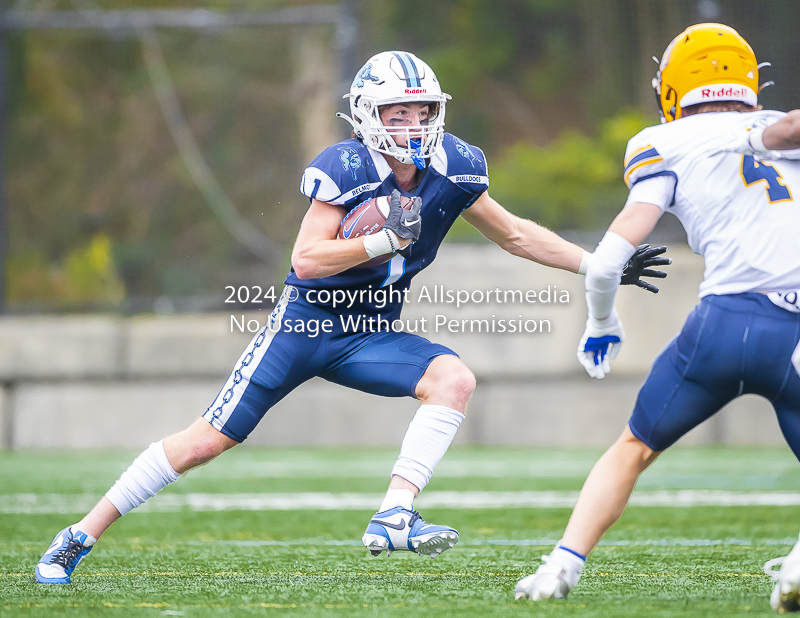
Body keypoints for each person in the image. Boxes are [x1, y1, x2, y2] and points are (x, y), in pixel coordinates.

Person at [35, 50, 667, 584]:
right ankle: (80, 535)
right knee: (209, 438)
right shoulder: (344, 166)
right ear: (370, 116)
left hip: (372, 332)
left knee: (453, 380)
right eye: (399, 113)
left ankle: (394, 514)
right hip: (307, 326)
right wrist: (378, 242)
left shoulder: (454, 165)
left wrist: (599, 265)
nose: (415, 125)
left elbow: (516, 235)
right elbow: (307, 261)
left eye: (423, 112)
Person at [512, 24, 800, 609]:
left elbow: (606, 263)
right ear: (749, 77)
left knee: (632, 447)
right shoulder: (775, 128)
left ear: (671, 87)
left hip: (718, 328)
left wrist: (601, 323)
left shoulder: (664, 142)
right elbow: (782, 132)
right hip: (794, 329)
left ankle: (559, 568)